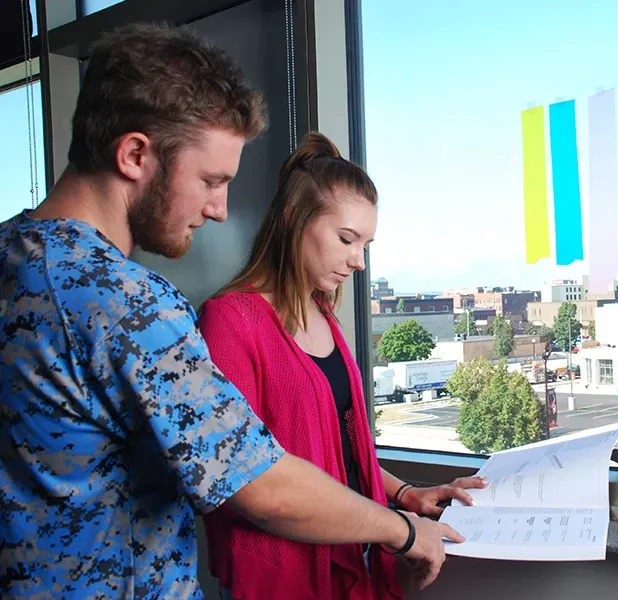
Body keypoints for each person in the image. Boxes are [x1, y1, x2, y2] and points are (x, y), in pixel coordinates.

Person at [0, 23, 461, 600]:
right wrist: (401, 531)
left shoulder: (14, 256)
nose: (219, 210)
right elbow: (258, 484)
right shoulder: (126, 304)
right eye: (211, 180)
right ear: (135, 154)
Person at [197, 131, 488, 600]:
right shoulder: (229, 322)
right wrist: (400, 528)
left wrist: (402, 494)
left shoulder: (323, 313)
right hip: (282, 578)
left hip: (353, 560)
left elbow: (339, 453)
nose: (358, 261)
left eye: (366, 246)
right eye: (347, 239)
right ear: (294, 220)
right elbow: (248, 483)